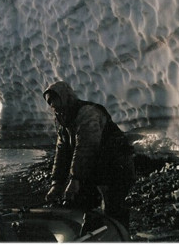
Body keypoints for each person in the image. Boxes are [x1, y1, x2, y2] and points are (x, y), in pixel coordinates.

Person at [43, 81, 135, 232]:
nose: (52, 106)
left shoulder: (88, 113)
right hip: (97, 165)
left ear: (65, 97)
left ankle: (120, 235)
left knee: (112, 206)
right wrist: (56, 183)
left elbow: (86, 147)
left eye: (54, 100)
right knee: (81, 203)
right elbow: (62, 151)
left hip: (117, 163)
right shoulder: (62, 120)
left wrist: (75, 179)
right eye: (50, 103)